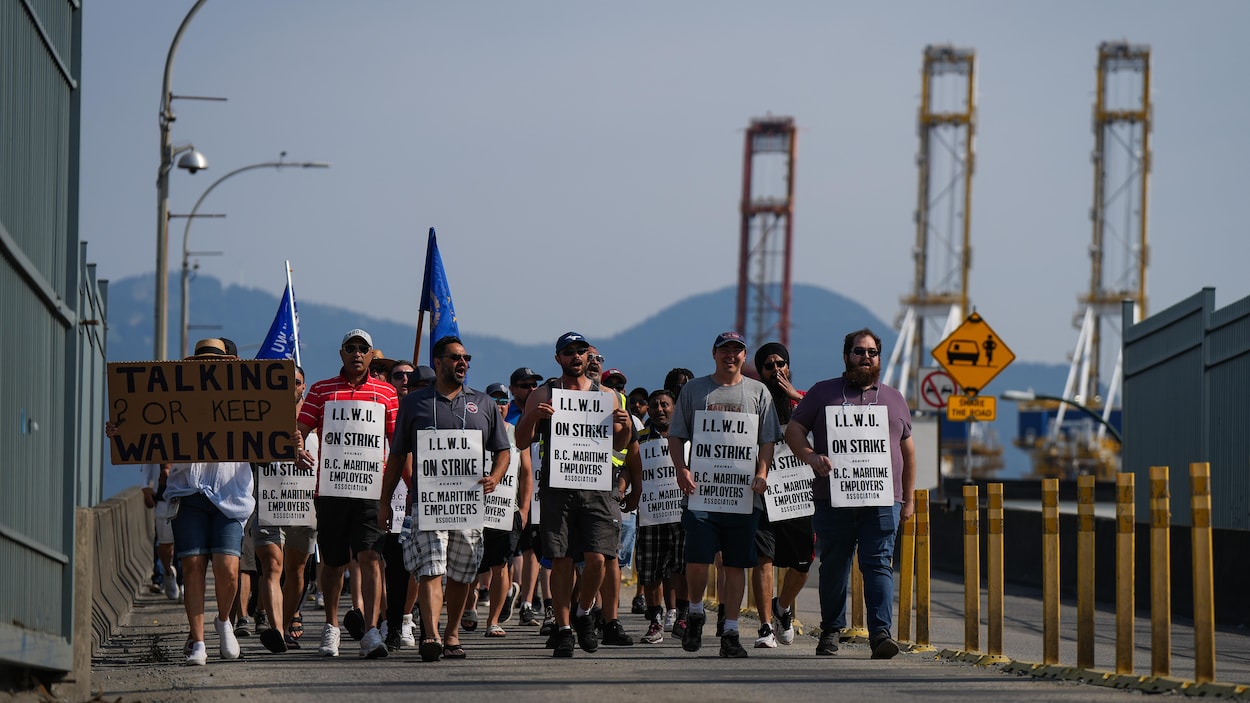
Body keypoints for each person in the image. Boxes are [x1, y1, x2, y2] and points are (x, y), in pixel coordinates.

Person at [108, 338, 256, 665]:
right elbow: (148, 432)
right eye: (203, 365)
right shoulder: (176, 401)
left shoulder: (243, 401)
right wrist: (124, 433)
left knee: (228, 568)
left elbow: (265, 436)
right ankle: (199, 640)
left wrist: (289, 439)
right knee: (191, 564)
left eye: (214, 365)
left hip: (230, 495)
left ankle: (223, 622)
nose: (208, 370)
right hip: (187, 492)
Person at [784, 328, 916, 659]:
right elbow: (795, 430)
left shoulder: (895, 398)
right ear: (846, 356)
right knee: (834, 565)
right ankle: (830, 631)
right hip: (834, 498)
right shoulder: (822, 393)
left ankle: (881, 634)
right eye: (859, 352)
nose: (866, 358)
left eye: (872, 352)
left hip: (884, 499)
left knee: (878, 564)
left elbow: (908, 451)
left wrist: (909, 498)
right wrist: (812, 457)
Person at [380, 335, 511, 662]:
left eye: (466, 357)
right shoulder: (414, 403)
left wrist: (495, 477)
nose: (462, 363)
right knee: (430, 569)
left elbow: (504, 450)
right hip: (426, 504)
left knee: (461, 573)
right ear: (438, 363)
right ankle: (433, 636)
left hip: (467, 507)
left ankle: (452, 634)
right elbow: (397, 456)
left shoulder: (484, 404)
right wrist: (384, 502)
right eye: (455, 357)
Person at [515, 332, 631, 658]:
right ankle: (564, 628)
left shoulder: (607, 395)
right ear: (558, 358)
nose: (576, 356)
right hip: (558, 486)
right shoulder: (545, 392)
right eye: (569, 352)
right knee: (562, 559)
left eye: (581, 351)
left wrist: (623, 426)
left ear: (589, 357)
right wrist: (534, 416)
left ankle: (583, 612)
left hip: (597, 486)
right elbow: (522, 441)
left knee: (597, 558)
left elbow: (619, 445)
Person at [669, 332, 781, 658]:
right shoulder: (694, 390)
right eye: (725, 350)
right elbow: (677, 435)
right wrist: (681, 469)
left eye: (737, 350)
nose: (730, 356)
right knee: (698, 558)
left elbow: (767, 440)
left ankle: (730, 632)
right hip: (702, 494)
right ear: (714, 354)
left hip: (743, 496)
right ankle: (694, 610)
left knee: (736, 564)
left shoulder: (758, 392)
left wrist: (762, 473)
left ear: (745, 356)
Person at [297, 329, 399, 659]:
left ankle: (370, 630)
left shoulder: (386, 393)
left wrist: (404, 487)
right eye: (350, 348)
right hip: (331, 489)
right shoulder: (321, 390)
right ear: (341, 353)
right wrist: (298, 448)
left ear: (371, 356)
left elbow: (398, 444)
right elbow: (300, 428)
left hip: (371, 489)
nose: (357, 353)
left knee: (370, 557)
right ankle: (331, 627)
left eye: (363, 349)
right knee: (333, 561)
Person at [750, 341, 812, 647]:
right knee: (764, 558)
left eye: (780, 364)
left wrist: (795, 398)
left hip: (798, 494)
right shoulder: (754, 402)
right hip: (762, 493)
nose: (776, 370)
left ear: (789, 367)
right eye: (769, 366)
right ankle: (765, 626)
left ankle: (782, 607)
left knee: (802, 564)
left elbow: (828, 426)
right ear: (760, 372)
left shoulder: (807, 401)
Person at [633, 389, 687, 644]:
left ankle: (682, 617)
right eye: (654, 406)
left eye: (665, 404)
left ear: (674, 408)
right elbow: (627, 469)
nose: (659, 409)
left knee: (683, 566)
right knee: (651, 570)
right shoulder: (640, 438)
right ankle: (655, 621)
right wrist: (623, 488)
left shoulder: (687, 438)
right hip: (651, 514)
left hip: (681, 513)